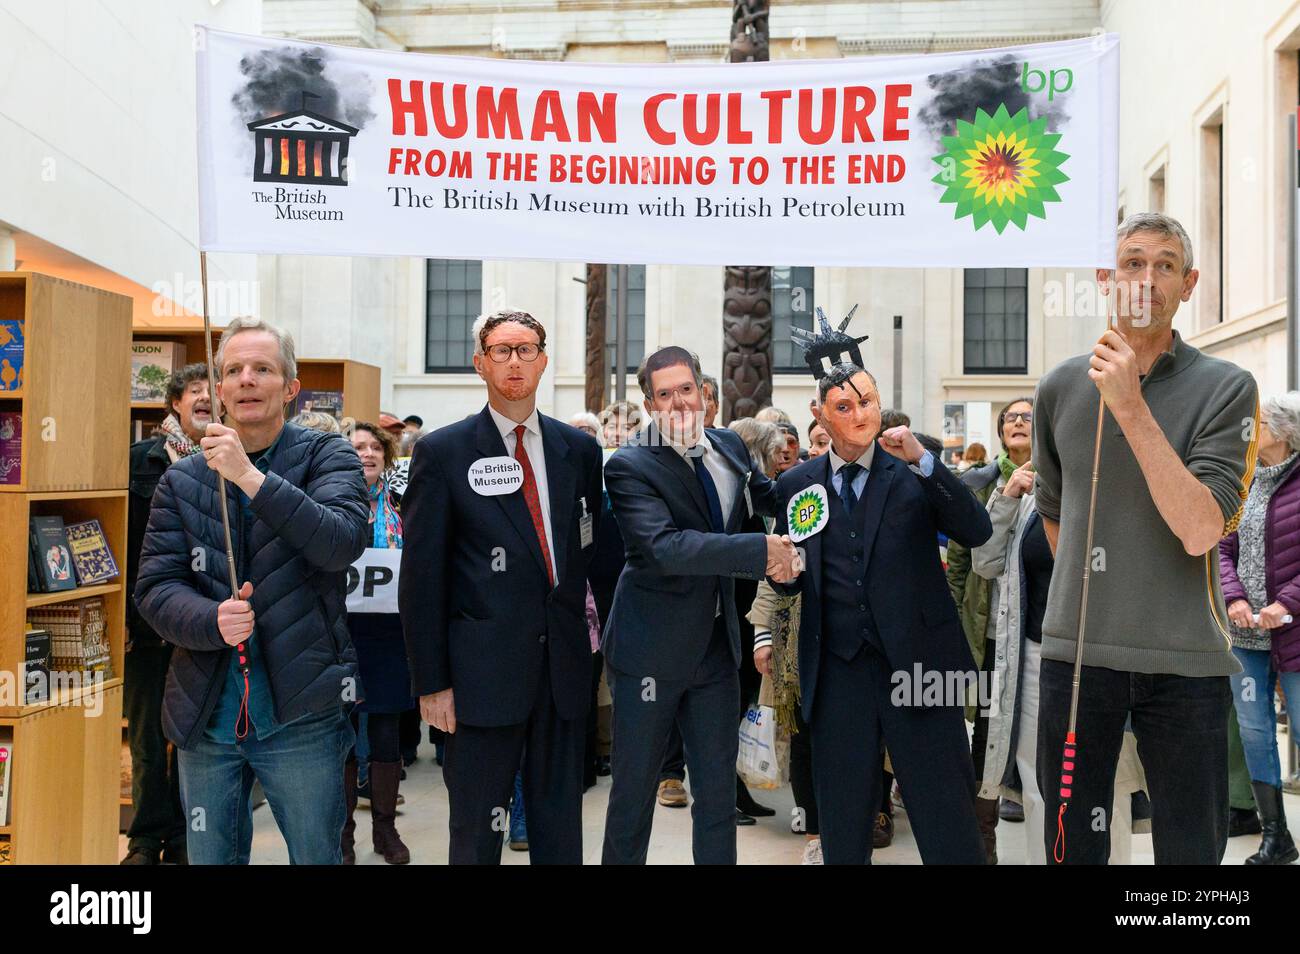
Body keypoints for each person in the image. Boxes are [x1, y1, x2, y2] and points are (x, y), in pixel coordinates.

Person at [1033, 212, 1260, 864]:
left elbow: (1200, 530)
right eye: (1132, 262)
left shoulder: (1227, 388)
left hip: (1185, 662)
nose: (1147, 278)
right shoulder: (1058, 387)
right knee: (1074, 849)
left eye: (1165, 265)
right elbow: (1055, 515)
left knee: (1189, 856)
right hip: (1077, 661)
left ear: (1188, 284)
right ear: (1107, 278)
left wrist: (1130, 405)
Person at [134, 317, 369, 865]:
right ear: (218, 390)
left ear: (290, 387)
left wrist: (250, 478)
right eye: (233, 370)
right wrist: (208, 618)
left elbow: (339, 543)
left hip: (301, 714)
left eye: (262, 368)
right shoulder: (182, 479)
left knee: (316, 855)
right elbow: (156, 588)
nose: (246, 380)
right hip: (206, 714)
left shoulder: (326, 456)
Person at [399, 309, 603, 864]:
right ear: (479, 363)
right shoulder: (443, 453)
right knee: (476, 831)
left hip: (561, 675)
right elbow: (421, 580)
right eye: (501, 350)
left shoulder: (579, 452)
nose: (515, 361)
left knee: (559, 829)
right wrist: (432, 682)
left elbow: (588, 556)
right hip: (478, 678)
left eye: (526, 349)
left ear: (543, 360)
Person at [766, 362, 991, 864]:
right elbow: (794, 570)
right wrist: (783, 576)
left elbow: (976, 530)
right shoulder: (797, 484)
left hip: (924, 669)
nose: (859, 413)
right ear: (820, 414)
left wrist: (926, 462)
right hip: (839, 672)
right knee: (843, 826)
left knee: (947, 817)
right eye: (844, 406)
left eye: (867, 401)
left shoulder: (913, 469)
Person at [600, 346, 793, 864]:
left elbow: (766, 495)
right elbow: (665, 547)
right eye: (664, 394)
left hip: (715, 651)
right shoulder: (629, 465)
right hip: (648, 652)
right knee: (634, 794)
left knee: (716, 798)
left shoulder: (729, 445)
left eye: (686, 389)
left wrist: (825, 482)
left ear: (705, 392)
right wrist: (760, 552)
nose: (679, 403)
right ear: (649, 403)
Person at [971, 397, 1147, 865]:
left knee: (1105, 785)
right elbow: (984, 562)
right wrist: (1007, 497)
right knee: (1036, 782)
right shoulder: (1029, 494)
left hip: (1103, 661)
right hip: (1033, 659)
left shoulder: (1113, 489)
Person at [121, 363, 211, 865]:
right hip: (147, 630)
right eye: (193, 390)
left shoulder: (231, 461)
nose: (203, 397)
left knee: (197, 741)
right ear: (175, 403)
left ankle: (184, 837)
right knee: (148, 741)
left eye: (210, 391)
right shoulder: (139, 462)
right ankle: (145, 837)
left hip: (207, 627)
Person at [946, 397, 1033, 861]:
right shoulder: (978, 483)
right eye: (1010, 418)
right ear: (1000, 431)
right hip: (986, 631)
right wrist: (960, 625)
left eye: (1027, 416)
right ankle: (984, 843)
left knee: (1032, 727)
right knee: (985, 732)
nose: (1018, 422)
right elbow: (960, 563)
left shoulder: (1060, 477)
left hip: (1035, 632)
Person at [1220, 392, 1300, 865]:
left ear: (1284, 433)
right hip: (1246, 638)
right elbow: (1221, 547)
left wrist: (1285, 603)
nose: (1251, 431)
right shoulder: (1242, 480)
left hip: (1293, 632)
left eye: (1259, 424)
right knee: (1254, 731)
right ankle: (1277, 835)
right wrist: (1232, 597)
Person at [341, 422, 415, 865]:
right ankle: (344, 835)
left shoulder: (404, 504)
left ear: (386, 456)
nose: (367, 454)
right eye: (357, 447)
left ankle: (385, 831)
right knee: (345, 735)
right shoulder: (328, 500)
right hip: (340, 634)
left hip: (390, 633)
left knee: (386, 733)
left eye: (375, 448)